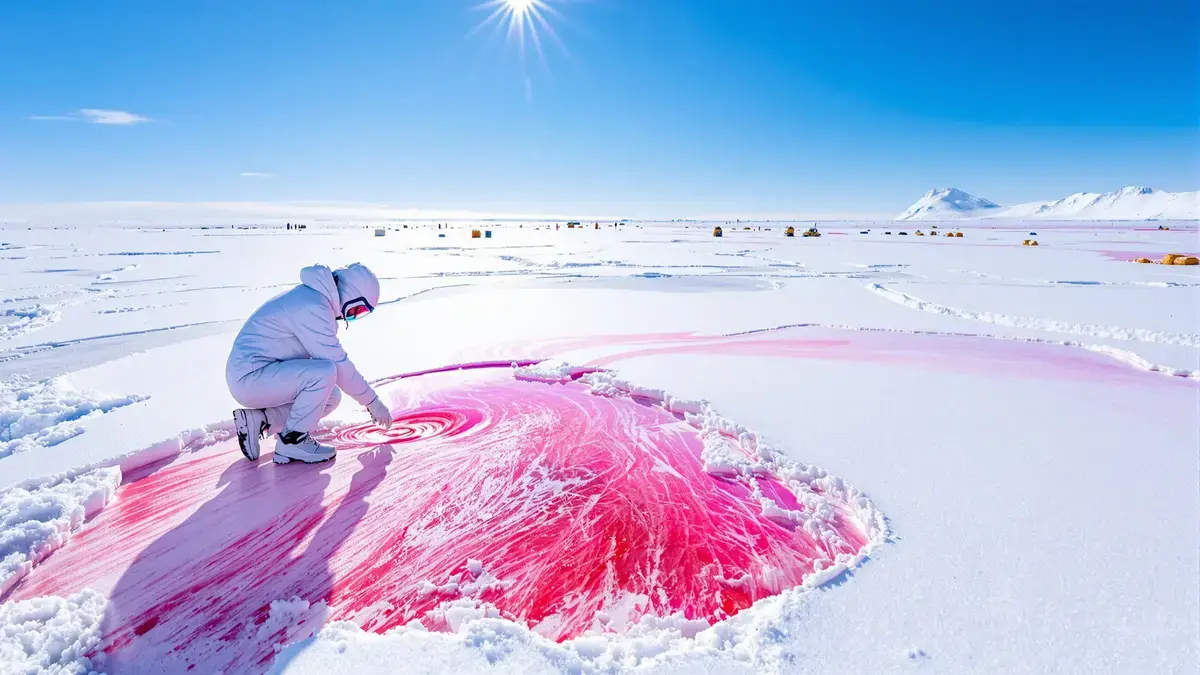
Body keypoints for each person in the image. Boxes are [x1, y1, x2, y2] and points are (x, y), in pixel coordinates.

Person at [226, 263, 393, 464]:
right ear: (349, 294)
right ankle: (293, 440)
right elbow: (337, 363)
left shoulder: (313, 299)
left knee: (330, 395)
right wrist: (373, 402)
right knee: (325, 373)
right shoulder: (312, 307)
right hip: (251, 378)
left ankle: (262, 420)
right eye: (355, 310)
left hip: (257, 374)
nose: (349, 317)